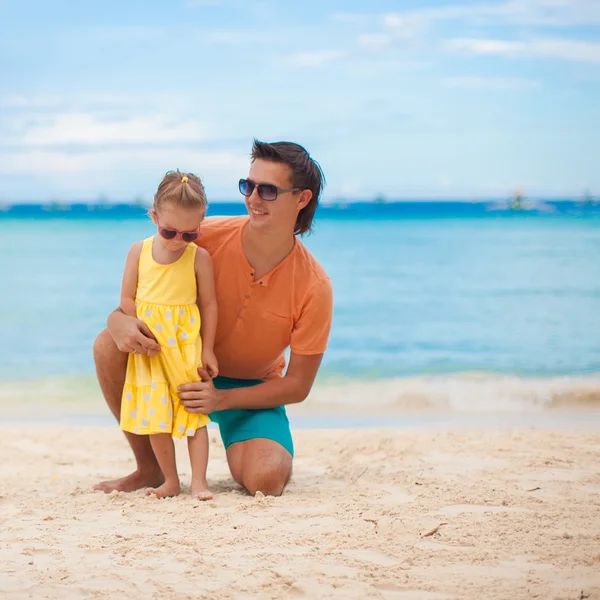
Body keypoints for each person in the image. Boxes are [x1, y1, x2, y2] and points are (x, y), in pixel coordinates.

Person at [93, 139, 333, 497]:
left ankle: (239, 441)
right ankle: (150, 468)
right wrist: (117, 320)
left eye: (267, 190)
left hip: (251, 390)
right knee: (107, 345)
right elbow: (145, 287)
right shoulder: (197, 237)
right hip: (177, 369)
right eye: (248, 186)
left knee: (267, 479)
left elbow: (298, 385)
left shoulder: (315, 285)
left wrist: (221, 400)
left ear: (302, 199)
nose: (252, 198)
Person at [118, 170, 218, 500]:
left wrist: (209, 349)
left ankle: (199, 482)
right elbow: (127, 298)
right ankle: (171, 481)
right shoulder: (139, 252)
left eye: (189, 234)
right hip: (150, 348)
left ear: (201, 223)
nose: (178, 240)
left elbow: (209, 304)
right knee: (155, 416)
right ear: (154, 217)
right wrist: (135, 327)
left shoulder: (198, 258)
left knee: (194, 412)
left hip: (185, 345)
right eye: (169, 231)